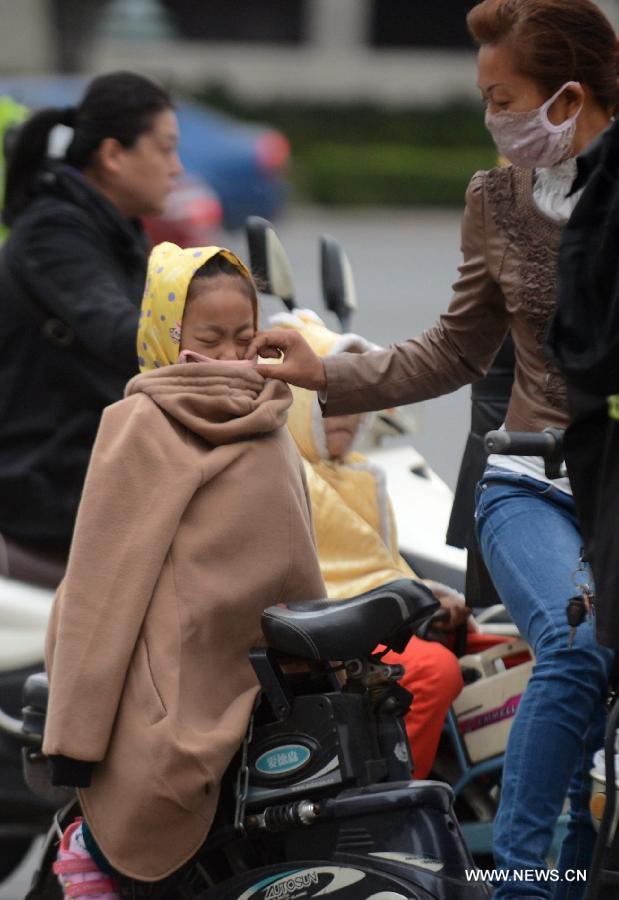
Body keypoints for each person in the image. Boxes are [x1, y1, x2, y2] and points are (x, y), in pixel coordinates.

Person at [246, 2, 618, 895]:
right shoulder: (492, 200)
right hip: (529, 477)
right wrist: (325, 372)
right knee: (575, 652)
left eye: (506, 98)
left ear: (569, 95)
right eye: (488, 100)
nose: (495, 120)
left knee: (590, 695)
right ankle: (524, 881)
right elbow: (453, 350)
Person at [43, 242, 326, 895]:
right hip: (177, 709)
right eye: (207, 338)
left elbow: (298, 570)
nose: (228, 358)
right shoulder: (143, 425)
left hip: (270, 703)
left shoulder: (272, 416)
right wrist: (75, 744)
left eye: (241, 338)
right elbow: (99, 590)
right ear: (167, 338)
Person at [271, 308, 469, 779]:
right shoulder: (288, 474)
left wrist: (429, 597)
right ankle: (396, 794)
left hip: (379, 621)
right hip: (335, 638)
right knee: (436, 670)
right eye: (324, 399)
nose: (343, 413)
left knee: (498, 643)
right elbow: (329, 581)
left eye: (353, 398)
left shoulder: (361, 473)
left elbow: (380, 567)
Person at [0, 71, 182, 582]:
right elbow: (122, 332)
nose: (177, 168)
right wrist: (215, 351)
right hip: (49, 478)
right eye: (165, 149)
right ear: (113, 155)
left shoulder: (112, 230)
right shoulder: (54, 232)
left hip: (99, 461)